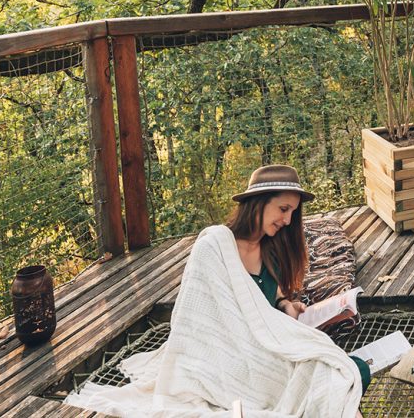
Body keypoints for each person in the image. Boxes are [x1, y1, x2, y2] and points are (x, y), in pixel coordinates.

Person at [66, 164, 366, 417]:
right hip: (228, 356)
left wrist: (285, 302)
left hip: (267, 346)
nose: (287, 220)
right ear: (259, 202)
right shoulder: (215, 245)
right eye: (283, 209)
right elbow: (196, 317)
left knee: (347, 370)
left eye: (292, 213)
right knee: (334, 379)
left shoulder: (273, 246)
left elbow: (264, 295)